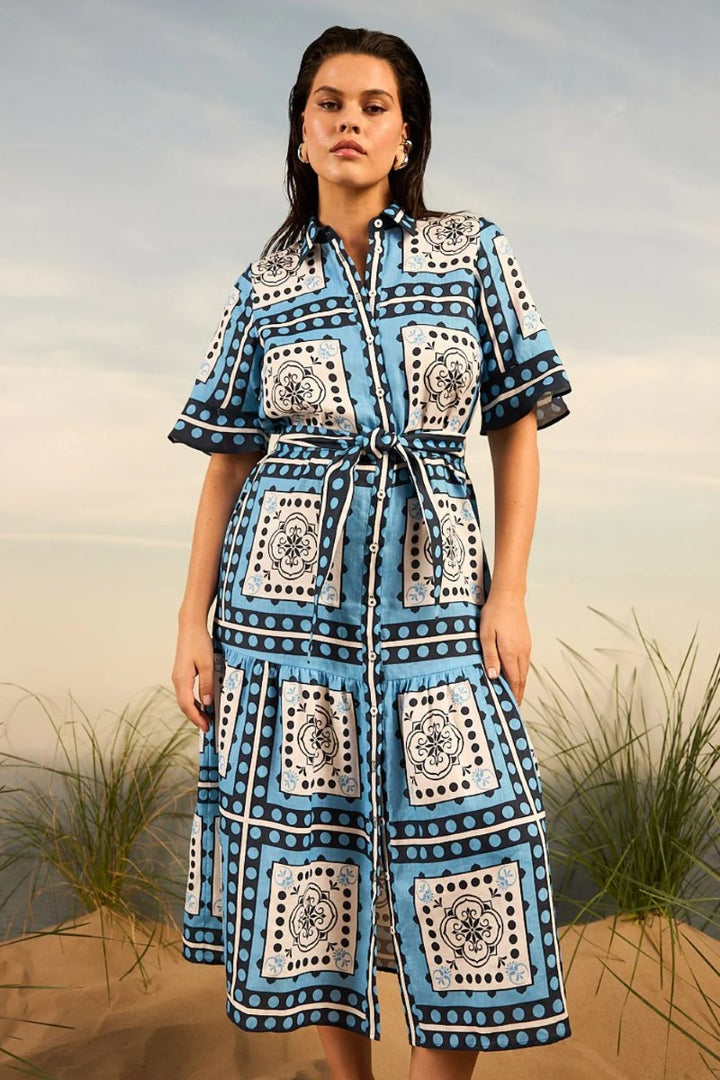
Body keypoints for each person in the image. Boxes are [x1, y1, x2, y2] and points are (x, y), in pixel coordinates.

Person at [169, 24, 573, 1080]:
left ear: (406, 137)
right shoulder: (265, 283)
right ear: (302, 134)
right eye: (329, 103)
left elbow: (517, 423)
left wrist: (513, 591)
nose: (350, 119)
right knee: (313, 846)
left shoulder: (471, 249)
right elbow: (226, 462)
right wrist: (191, 622)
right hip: (280, 609)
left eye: (374, 105)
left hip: (437, 593)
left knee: (477, 837)